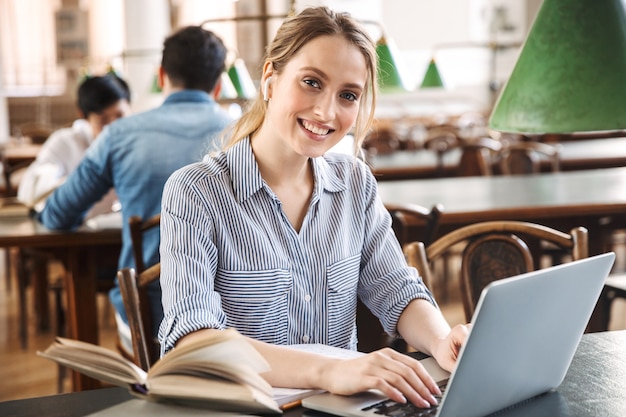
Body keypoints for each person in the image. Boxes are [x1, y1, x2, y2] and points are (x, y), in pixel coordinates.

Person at [158, 7, 470, 409]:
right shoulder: (195, 193)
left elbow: (396, 289)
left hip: (344, 409)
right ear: (270, 79)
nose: (326, 112)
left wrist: (441, 339)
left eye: (348, 95)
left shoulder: (355, 182)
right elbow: (194, 343)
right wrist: (328, 370)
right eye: (311, 82)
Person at [38, 26, 233, 354]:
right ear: (218, 84)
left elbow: (58, 214)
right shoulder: (250, 136)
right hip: (238, 319)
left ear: (161, 75)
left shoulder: (120, 135)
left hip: (148, 316)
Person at [17, 74, 131, 210]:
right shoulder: (64, 143)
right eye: (103, 121)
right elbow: (31, 193)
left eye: (120, 116)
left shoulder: (140, 142)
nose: (113, 127)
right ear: (83, 115)